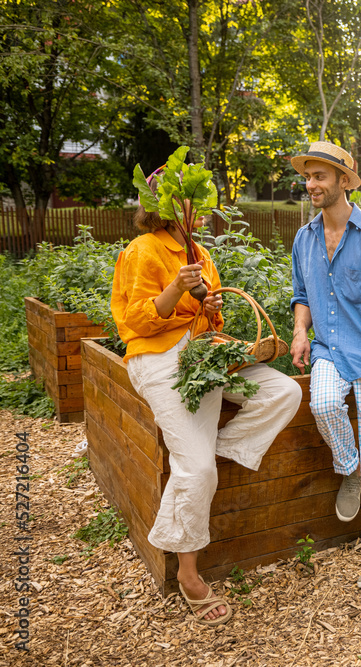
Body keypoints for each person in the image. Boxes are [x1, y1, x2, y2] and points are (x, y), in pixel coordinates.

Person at [111, 209, 301, 625]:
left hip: (203, 351)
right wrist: (177, 288)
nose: (193, 213)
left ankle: (208, 456)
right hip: (159, 358)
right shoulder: (143, 249)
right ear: (163, 208)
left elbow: (210, 319)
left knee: (284, 391)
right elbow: (134, 319)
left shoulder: (199, 252)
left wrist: (208, 303)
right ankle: (189, 574)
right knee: (197, 471)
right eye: (183, 203)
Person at [289, 141, 361, 589]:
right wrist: (301, 331)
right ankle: (348, 468)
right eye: (308, 176)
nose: (311, 184)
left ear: (343, 181)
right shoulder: (305, 237)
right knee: (322, 404)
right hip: (327, 351)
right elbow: (302, 295)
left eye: (319, 176)